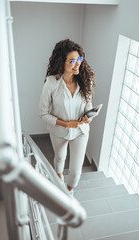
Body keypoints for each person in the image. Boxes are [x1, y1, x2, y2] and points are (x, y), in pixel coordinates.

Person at [39, 39, 95, 196]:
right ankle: (58, 177)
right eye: (72, 61)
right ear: (61, 62)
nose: (77, 64)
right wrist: (65, 124)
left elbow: (88, 105)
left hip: (81, 131)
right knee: (60, 157)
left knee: (76, 171)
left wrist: (88, 117)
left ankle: (69, 192)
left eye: (79, 59)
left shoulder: (85, 80)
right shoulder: (51, 83)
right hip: (59, 130)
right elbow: (42, 113)